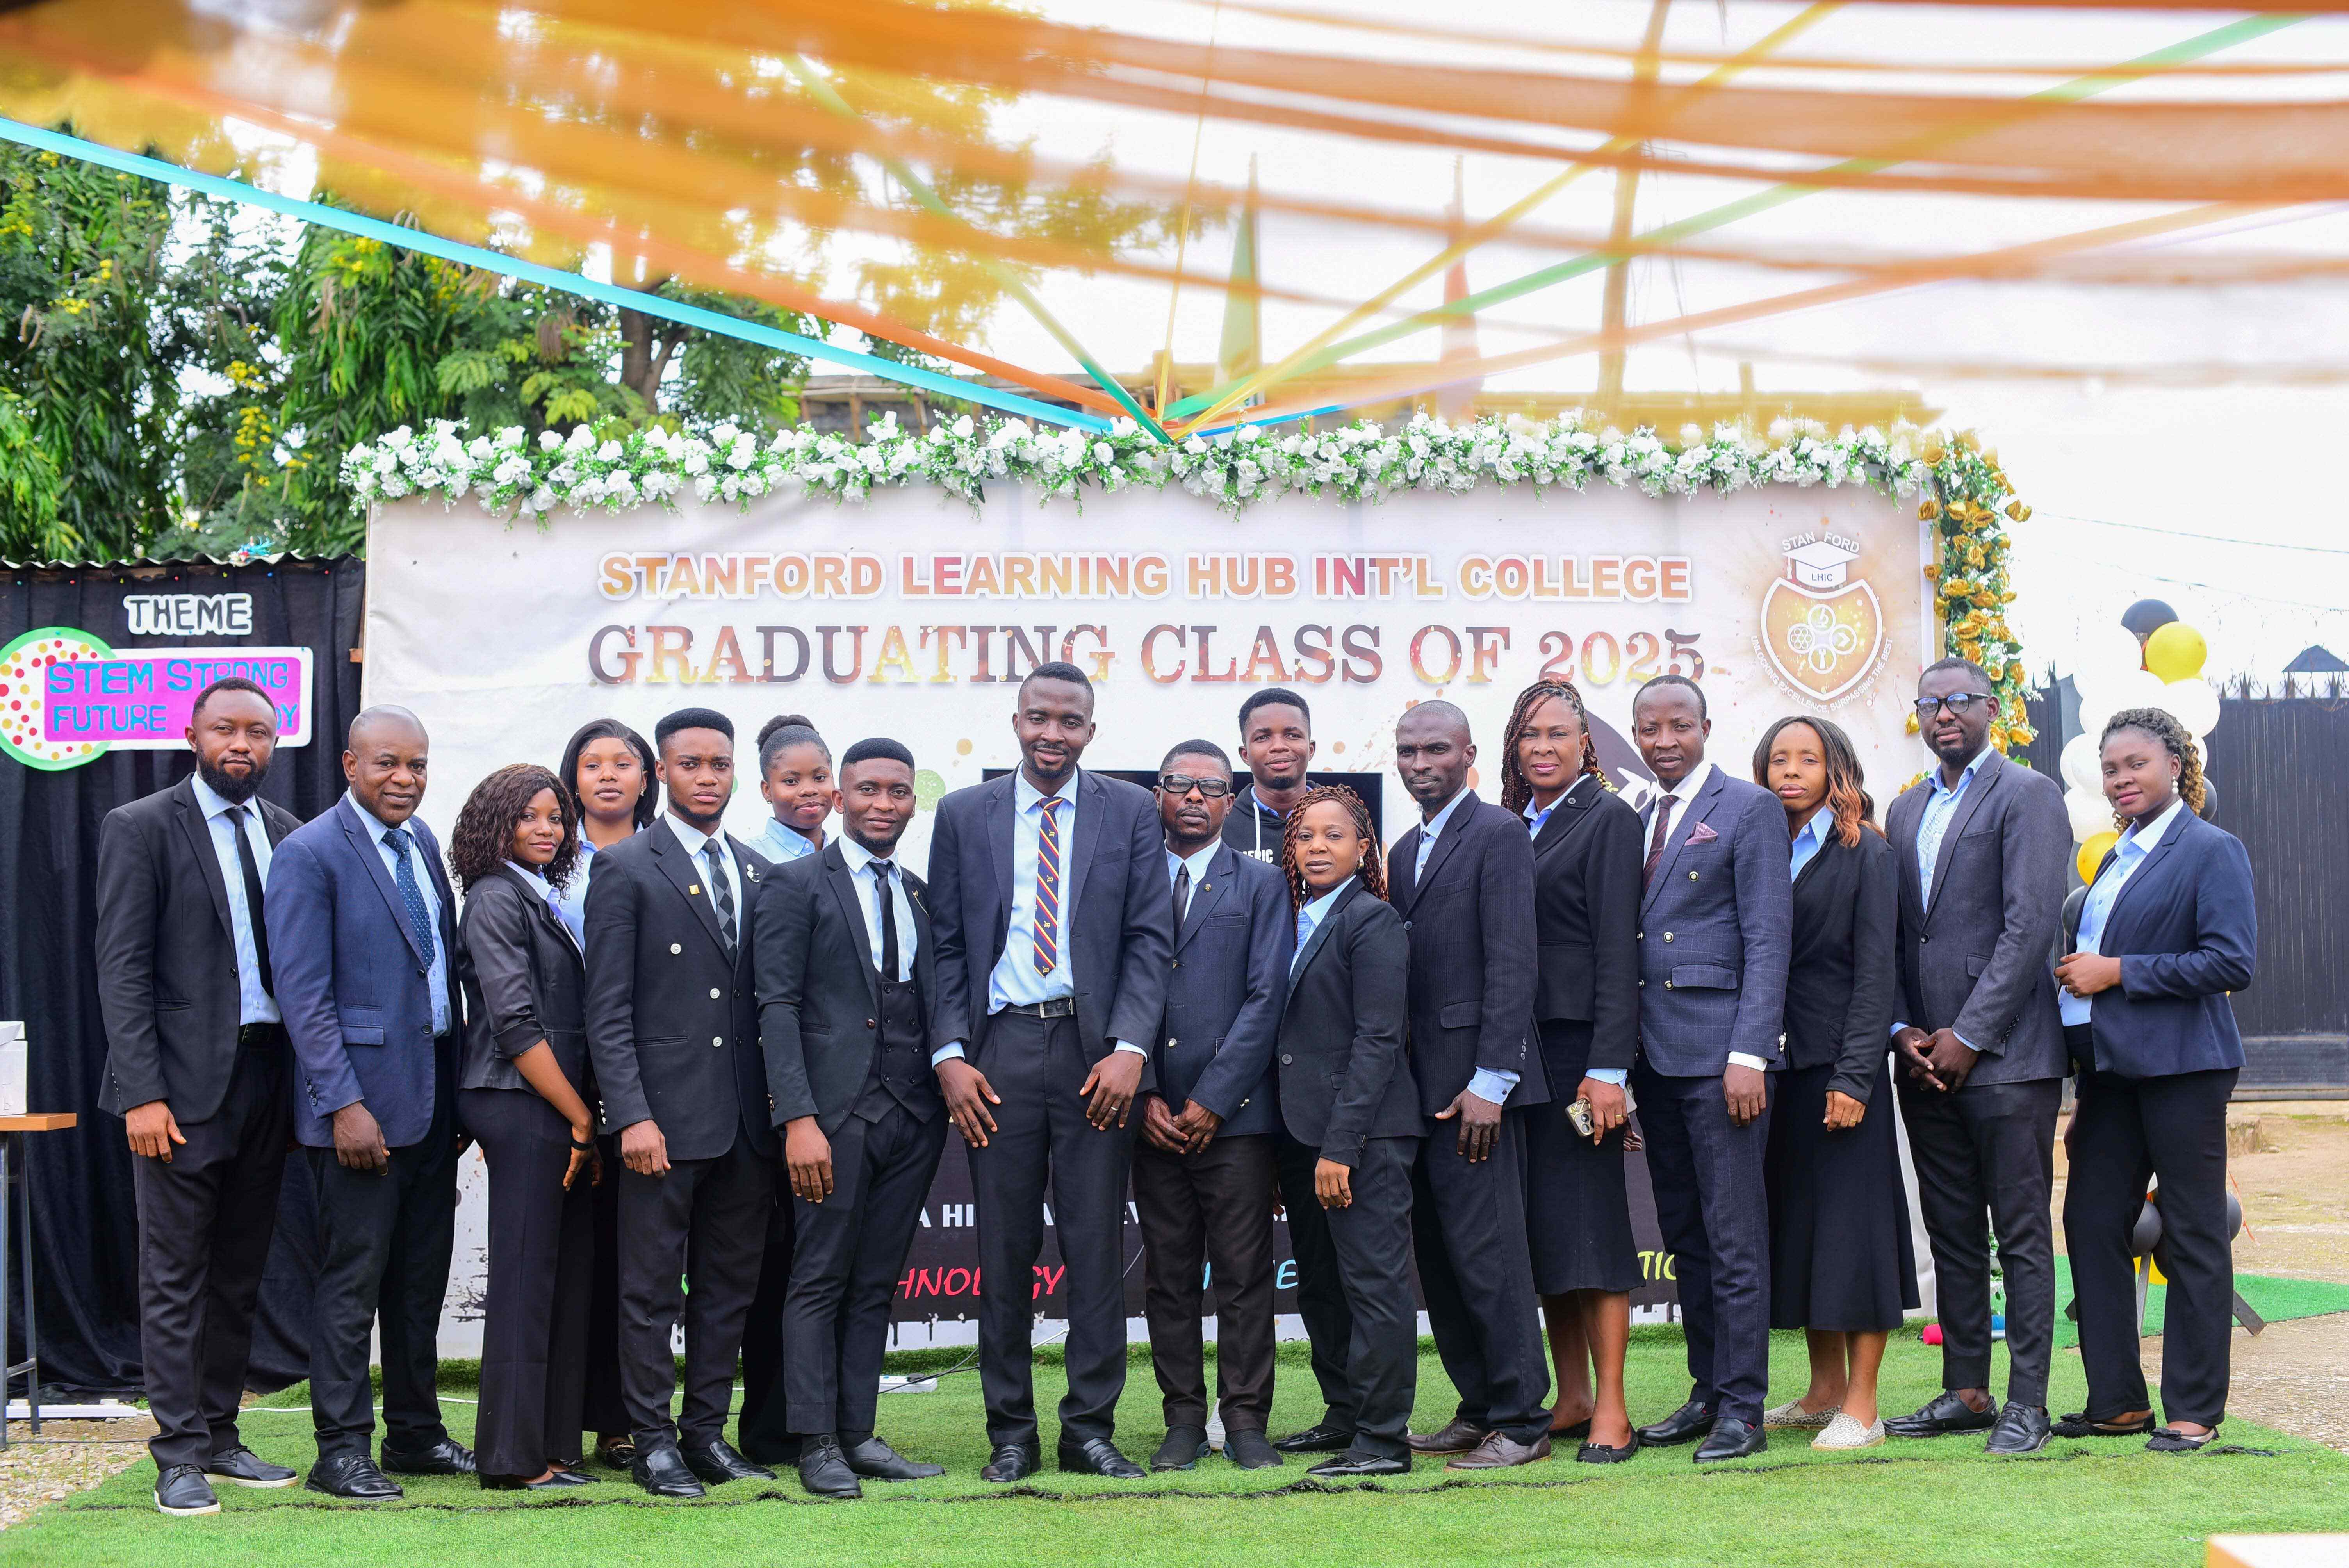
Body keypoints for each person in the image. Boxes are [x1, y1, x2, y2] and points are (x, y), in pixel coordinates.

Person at [925, 662, 1173, 1483]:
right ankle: (1010, 1434)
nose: (1051, 734)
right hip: (995, 1054)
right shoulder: (964, 813)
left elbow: (1147, 938)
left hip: (1092, 1055)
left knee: (1096, 1247)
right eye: (1038, 717)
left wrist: (1131, 1048)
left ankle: (1087, 1430)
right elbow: (948, 946)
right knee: (1004, 1249)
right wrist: (950, 1053)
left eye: (1069, 722)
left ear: (1090, 732)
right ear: (1016, 720)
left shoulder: (1131, 810)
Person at [95, 677, 305, 1516]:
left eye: (258, 731)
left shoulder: (287, 832)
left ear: (277, 740)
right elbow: (122, 968)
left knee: (240, 1273)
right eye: (227, 729)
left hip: (269, 1079)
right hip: (178, 1092)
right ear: (193, 733)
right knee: (176, 1275)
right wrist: (142, 1093)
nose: (242, 745)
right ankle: (176, 1454)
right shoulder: (140, 826)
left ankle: (219, 1435)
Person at [267, 706, 475, 1499]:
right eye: (388, 763)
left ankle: (415, 1435)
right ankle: (340, 1448)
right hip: (358, 1113)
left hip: (429, 1105)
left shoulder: (421, 844)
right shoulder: (309, 853)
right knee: (351, 1286)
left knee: (418, 1284)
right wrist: (342, 1104)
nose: (405, 779)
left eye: (418, 765)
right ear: (349, 763)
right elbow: (304, 996)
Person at [583, 707, 779, 1498]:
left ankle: (705, 1433)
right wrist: (630, 1115)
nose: (706, 777)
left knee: (728, 1288)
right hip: (660, 1124)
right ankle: (652, 1441)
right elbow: (607, 1009)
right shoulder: (627, 866)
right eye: (690, 763)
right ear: (661, 772)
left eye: (719, 764)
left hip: (744, 1125)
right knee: (650, 1290)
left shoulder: (759, 869)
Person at [752, 738, 950, 1498]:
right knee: (818, 1278)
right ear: (840, 798)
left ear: (910, 801)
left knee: (874, 1282)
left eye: (897, 791)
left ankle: (860, 1431)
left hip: (913, 1116)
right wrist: (796, 1117)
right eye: (866, 789)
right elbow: (777, 1005)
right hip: (831, 1118)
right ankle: (816, 1441)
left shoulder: (921, 892)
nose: (881, 802)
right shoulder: (794, 884)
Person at [1882, 658, 2070, 1456]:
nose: (1943, 714)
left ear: (1991, 709)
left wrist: (1967, 1035)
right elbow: (1889, 933)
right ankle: (1965, 1388)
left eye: (1958, 701)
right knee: (1951, 1229)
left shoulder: (2027, 795)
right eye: (1929, 703)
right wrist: (1903, 1031)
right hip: (1922, 1058)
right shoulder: (1902, 809)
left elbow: (2029, 927)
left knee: (2020, 1233)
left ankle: (2026, 1403)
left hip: (2007, 1057)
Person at [2055, 708, 2256, 1452]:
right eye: (2111, 769)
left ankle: (2194, 1411)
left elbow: (2230, 962)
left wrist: (2118, 973)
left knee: (2195, 1231)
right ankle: (2117, 1401)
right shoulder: (2116, 857)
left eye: (2136, 763)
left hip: (2184, 1069)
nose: (2121, 779)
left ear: (2176, 764)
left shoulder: (2211, 849)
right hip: (2110, 1077)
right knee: (2091, 1222)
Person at [1624, 674, 1791, 1465]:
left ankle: (1742, 1407)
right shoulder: (1635, 815)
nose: (1662, 741)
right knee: (1685, 1234)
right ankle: (1703, 1388)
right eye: (1648, 728)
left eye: (1677, 726)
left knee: (1732, 1238)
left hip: (1722, 1055)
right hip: (1653, 1058)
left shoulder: (1747, 807)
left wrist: (1748, 1052)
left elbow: (1767, 937)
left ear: (1705, 727)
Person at [1386, 701, 1553, 1470]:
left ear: (1468, 754)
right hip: (1416, 1093)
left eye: (1434, 749)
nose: (1420, 762)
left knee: (1489, 1257)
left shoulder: (1497, 833)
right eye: (1407, 750)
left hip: (1477, 1092)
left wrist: (1492, 1079)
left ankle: (1521, 1418)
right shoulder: (1399, 850)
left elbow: (1514, 963)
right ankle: (1478, 1405)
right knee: (1444, 1260)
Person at [1751, 716, 1917, 1453]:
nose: (1791, 771)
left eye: (1807, 759)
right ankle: (1821, 1391)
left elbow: (1877, 974)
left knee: (1854, 1238)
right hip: (1773, 1072)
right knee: (1804, 1232)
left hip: (1839, 1072)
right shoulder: (1756, 848)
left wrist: (1855, 1075)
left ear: (1835, 769)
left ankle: (1864, 1404)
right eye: (1778, 759)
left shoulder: (1866, 854)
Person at [1497, 679, 1643, 1465]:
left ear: (1586, 743)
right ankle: (1573, 1394)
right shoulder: (1507, 823)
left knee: (1590, 1228)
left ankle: (1612, 1407)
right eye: (1530, 735)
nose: (1543, 747)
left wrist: (1607, 1067)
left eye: (1558, 734)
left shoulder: (1609, 818)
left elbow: (1619, 949)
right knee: (1544, 1232)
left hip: (1578, 1055)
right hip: (1515, 1057)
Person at [1134, 740, 1290, 1474]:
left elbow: (1268, 998)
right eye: (1179, 785)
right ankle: (1182, 1420)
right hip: (1151, 1117)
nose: (1194, 797)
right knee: (1167, 1276)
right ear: (1156, 794)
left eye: (1211, 787)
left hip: (1236, 1119)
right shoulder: (1127, 879)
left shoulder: (1261, 884)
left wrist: (1213, 1099)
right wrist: (1142, 1095)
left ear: (1232, 801)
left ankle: (1246, 1419)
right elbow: (1107, 991)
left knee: (1242, 1274)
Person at [452, 764, 601, 1491]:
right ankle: (510, 1459)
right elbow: (512, 1023)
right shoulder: (493, 897)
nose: (547, 829)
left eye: (556, 817)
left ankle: (552, 1448)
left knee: (558, 1277)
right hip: (519, 1101)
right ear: (495, 824)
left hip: (549, 1105)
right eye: (530, 816)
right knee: (520, 1278)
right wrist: (579, 1117)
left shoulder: (539, 894)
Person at [1273, 786, 1423, 1479]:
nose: (1318, 847)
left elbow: (1379, 1038)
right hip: (1302, 1135)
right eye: (1307, 836)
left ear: (1364, 849)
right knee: (1324, 1287)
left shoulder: (1373, 921)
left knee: (1373, 1286)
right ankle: (1345, 1415)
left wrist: (1341, 1147)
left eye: (1335, 836)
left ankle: (1383, 1439)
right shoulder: (1296, 919)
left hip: (1361, 1140)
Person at [552, 717, 656, 1471]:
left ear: (648, 778)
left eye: (625, 763)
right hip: (563, 1080)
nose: (609, 776)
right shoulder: (546, 861)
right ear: (573, 778)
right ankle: (560, 1419)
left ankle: (625, 1420)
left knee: (637, 1256)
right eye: (593, 764)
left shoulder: (669, 857)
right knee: (574, 1253)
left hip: (654, 1081)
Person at [1225, 687, 1317, 863]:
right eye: (1263, 738)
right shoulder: (1222, 823)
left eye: (1292, 735)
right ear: (1246, 755)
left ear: (1311, 749)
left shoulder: (1345, 816)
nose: (1278, 746)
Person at [752, 714, 832, 866]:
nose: (809, 790)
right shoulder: (750, 860)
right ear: (767, 790)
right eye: (791, 781)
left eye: (820, 778)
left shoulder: (846, 858)